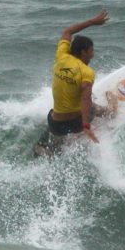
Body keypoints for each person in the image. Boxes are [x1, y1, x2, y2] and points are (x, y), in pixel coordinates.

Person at [34, 9, 116, 157]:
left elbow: (68, 31)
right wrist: (86, 126)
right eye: (91, 51)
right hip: (76, 124)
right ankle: (111, 111)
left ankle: (45, 148)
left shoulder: (61, 56)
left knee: (53, 115)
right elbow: (86, 99)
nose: (93, 54)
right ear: (84, 51)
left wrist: (92, 22)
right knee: (93, 106)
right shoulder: (86, 73)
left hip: (56, 124)